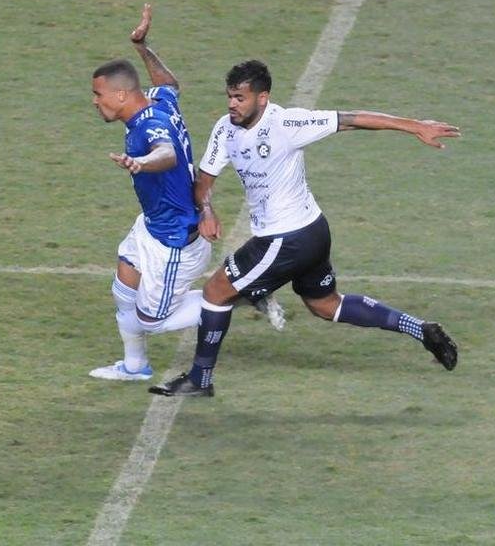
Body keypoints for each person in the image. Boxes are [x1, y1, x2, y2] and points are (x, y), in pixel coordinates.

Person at [149, 59, 461, 397]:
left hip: (286, 238)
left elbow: (351, 120)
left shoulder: (286, 123)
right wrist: (207, 210)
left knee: (216, 291)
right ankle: (421, 329)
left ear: (262, 98)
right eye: (229, 97)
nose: (232, 104)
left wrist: (415, 126)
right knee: (326, 305)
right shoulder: (225, 129)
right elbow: (204, 180)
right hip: (310, 232)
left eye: (240, 98)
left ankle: (200, 379)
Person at [87, 4, 213, 381]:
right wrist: (142, 47)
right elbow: (171, 84)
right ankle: (135, 367)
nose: (95, 101)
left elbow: (167, 153)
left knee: (152, 321)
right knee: (124, 289)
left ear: (121, 95)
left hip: (174, 239)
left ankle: (238, 291)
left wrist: (141, 163)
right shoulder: (160, 102)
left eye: (98, 94)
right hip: (152, 224)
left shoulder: (149, 127)